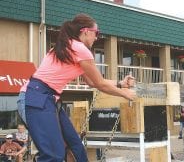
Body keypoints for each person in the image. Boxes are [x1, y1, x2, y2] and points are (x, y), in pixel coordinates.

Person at [17, 13, 136, 162]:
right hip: (35, 98)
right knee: (53, 154)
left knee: (76, 147)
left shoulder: (70, 46)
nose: (97, 37)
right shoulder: (79, 49)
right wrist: (125, 94)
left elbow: (92, 82)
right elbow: (99, 84)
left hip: (48, 99)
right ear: (86, 31)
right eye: (96, 33)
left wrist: (120, 83)